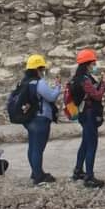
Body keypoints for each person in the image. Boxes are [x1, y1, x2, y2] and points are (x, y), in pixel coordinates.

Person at [70, 49, 105, 188]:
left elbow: (92, 92)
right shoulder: (85, 80)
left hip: (83, 113)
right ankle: (89, 176)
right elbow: (97, 95)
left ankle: (78, 170)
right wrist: (104, 82)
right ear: (87, 64)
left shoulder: (77, 78)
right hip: (89, 114)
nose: (95, 65)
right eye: (93, 63)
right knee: (92, 144)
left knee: (85, 142)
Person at [22, 54, 61, 186]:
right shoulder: (39, 83)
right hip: (41, 118)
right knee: (38, 148)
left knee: (32, 146)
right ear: (38, 69)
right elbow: (51, 97)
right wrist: (57, 87)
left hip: (29, 119)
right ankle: (38, 176)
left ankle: (35, 172)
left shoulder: (24, 82)